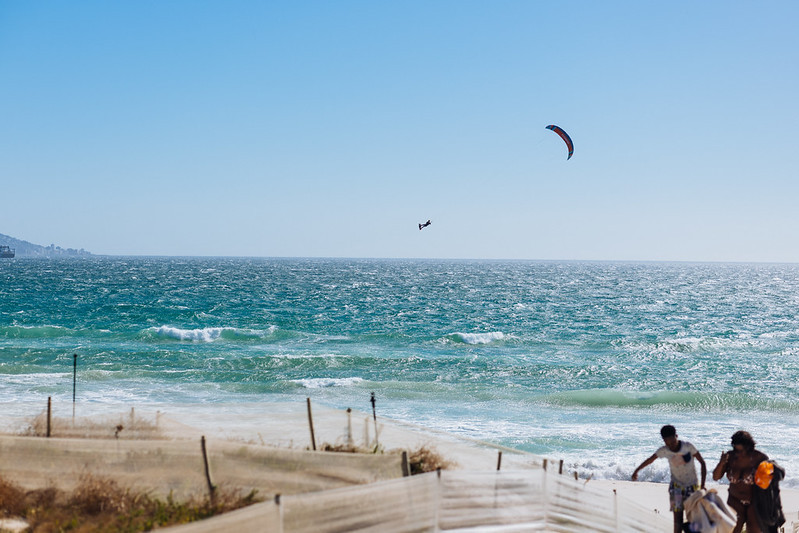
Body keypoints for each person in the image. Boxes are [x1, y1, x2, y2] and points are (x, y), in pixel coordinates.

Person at [632, 425, 707, 533]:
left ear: (676, 436)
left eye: (672, 442)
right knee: (677, 521)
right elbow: (650, 460)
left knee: (693, 520)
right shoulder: (664, 450)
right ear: (664, 441)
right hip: (675, 487)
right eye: (667, 443)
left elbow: (702, 463)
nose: (670, 445)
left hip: (692, 487)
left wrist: (703, 485)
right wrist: (637, 470)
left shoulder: (688, 447)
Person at [713, 430, 769, 533]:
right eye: (736, 450)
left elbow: (768, 484)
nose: (739, 454)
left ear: (749, 447)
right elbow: (716, 477)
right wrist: (721, 463)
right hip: (735, 500)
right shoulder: (729, 457)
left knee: (754, 530)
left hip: (754, 502)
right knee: (733, 530)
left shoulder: (760, 458)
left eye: (742, 451)